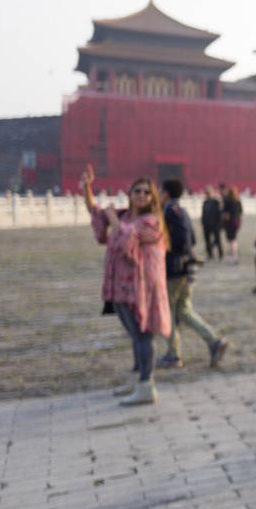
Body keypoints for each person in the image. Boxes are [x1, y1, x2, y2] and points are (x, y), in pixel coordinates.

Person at [80, 164, 171, 405]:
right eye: (137, 191)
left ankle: (146, 385)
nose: (141, 195)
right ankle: (137, 378)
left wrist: (111, 217)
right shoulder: (123, 216)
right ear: (129, 194)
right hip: (120, 284)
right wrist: (87, 187)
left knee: (143, 334)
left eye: (146, 192)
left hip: (143, 287)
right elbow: (95, 212)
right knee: (134, 334)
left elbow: (127, 237)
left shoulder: (151, 221)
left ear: (152, 197)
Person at [156, 178, 229, 369]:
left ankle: (173, 355)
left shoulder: (169, 211)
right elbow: (193, 239)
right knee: (183, 310)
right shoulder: (181, 210)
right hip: (187, 267)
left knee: (169, 312)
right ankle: (214, 341)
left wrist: (166, 246)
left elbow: (180, 238)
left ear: (165, 193)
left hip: (174, 269)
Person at [201, 185, 223, 261]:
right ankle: (210, 254)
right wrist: (203, 222)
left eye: (209, 192)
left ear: (213, 193)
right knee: (207, 241)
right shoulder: (205, 202)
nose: (207, 194)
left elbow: (219, 214)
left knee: (217, 240)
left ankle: (220, 254)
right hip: (206, 225)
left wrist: (219, 224)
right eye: (206, 193)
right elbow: (203, 213)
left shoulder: (216, 202)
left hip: (215, 224)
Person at [221, 185, 243, 264]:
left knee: (232, 240)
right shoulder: (238, 201)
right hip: (236, 222)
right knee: (233, 240)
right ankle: (234, 256)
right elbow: (241, 211)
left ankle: (234, 256)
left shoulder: (228, 201)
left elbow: (225, 212)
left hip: (230, 223)